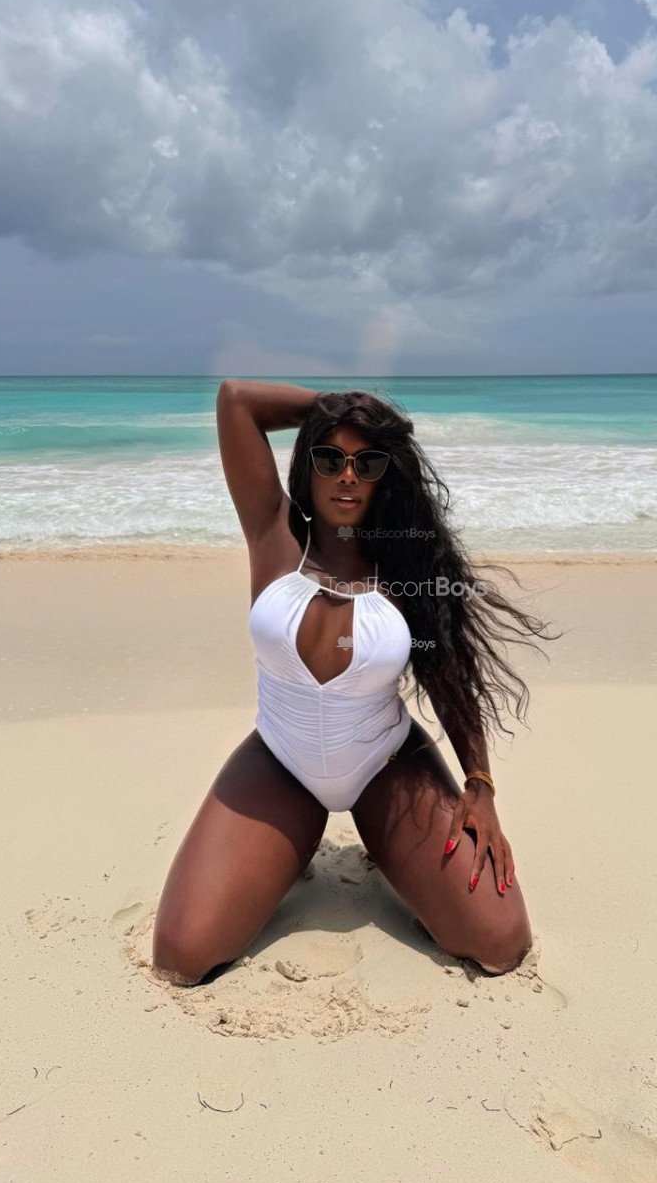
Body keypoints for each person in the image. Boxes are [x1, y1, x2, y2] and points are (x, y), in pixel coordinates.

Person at [151, 380, 561, 986]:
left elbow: (449, 678)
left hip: (385, 765)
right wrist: (343, 410)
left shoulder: (407, 565)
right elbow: (236, 400)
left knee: (500, 944)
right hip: (280, 760)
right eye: (330, 458)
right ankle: (289, 847)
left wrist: (480, 785)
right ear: (309, 464)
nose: (347, 475)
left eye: (367, 462)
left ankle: (387, 857)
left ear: (383, 475)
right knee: (181, 957)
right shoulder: (273, 533)